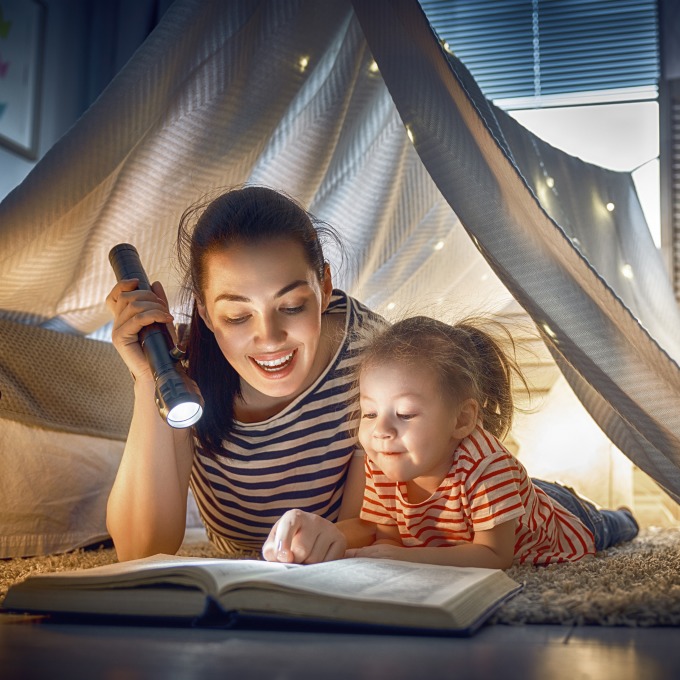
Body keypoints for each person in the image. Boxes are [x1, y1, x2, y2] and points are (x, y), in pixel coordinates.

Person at [105, 185, 384, 561]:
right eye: (237, 316)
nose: (269, 339)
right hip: (236, 571)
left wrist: (335, 538)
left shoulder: (373, 355)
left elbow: (372, 527)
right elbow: (141, 550)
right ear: (204, 313)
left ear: (325, 287)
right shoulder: (185, 371)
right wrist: (147, 377)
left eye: (292, 306)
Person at [263, 316, 639, 568]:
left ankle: (624, 514)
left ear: (461, 419)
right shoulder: (384, 457)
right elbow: (388, 533)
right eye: (369, 412)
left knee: (610, 527)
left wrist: (407, 559)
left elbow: (495, 555)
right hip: (504, 501)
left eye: (405, 414)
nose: (381, 430)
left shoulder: (488, 467)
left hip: (559, 514)